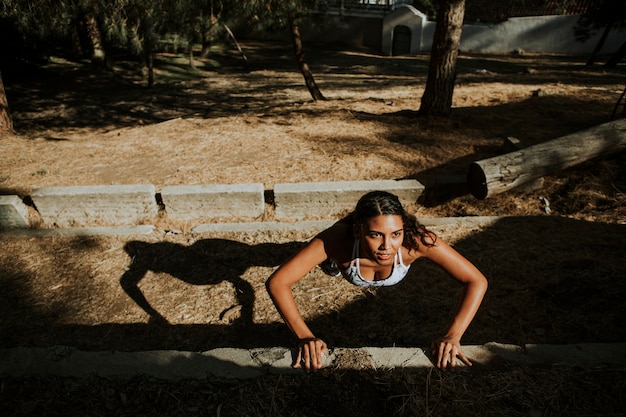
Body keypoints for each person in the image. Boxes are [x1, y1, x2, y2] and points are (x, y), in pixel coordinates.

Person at [266, 190, 488, 371]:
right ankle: (330, 263)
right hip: (342, 257)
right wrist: (305, 337)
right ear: (357, 231)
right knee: (325, 260)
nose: (386, 246)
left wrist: (453, 336)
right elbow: (278, 282)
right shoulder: (335, 241)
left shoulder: (416, 241)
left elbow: (476, 280)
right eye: (375, 235)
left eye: (395, 234)